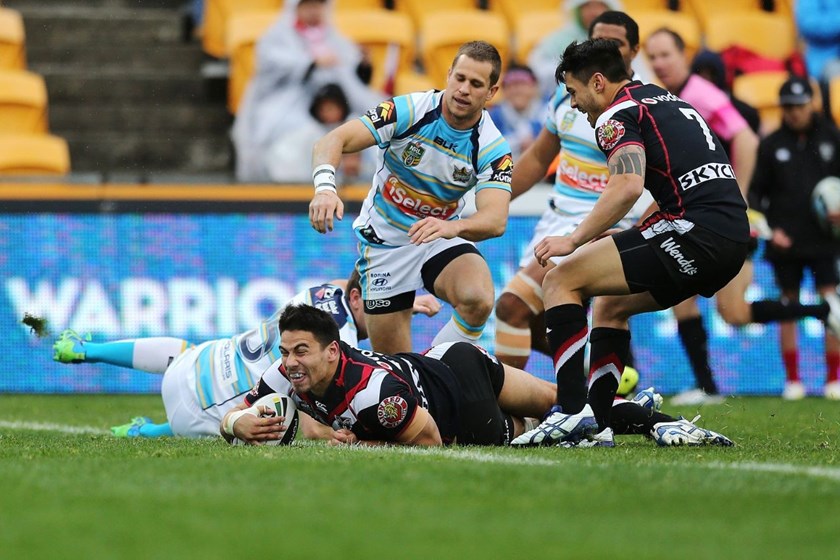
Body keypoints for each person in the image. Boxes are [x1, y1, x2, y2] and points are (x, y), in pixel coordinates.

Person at [511, 38, 750, 447]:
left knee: (560, 279)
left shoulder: (616, 114)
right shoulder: (665, 99)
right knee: (610, 305)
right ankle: (599, 423)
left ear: (598, 82)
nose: (574, 105)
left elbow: (626, 186)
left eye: (573, 92)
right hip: (729, 236)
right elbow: (679, 180)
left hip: (692, 232)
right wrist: (634, 232)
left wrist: (573, 239)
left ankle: (569, 413)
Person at [225, 305, 734, 447]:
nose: (290, 362)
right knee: (565, 406)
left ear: (333, 353)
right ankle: (646, 415)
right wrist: (236, 426)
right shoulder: (283, 374)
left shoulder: (371, 395)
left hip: (461, 406)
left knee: (546, 428)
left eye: (302, 352)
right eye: (286, 351)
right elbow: (238, 411)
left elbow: (429, 441)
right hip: (447, 358)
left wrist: (350, 442)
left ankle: (647, 419)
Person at [51, 271, 442, 437]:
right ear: (358, 299)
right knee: (274, 419)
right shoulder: (335, 349)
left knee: (184, 350)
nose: (395, 318)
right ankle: (147, 432)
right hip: (208, 413)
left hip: (198, 365)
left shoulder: (325, 293)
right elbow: (313, 427)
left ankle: (86, 349)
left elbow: (351, 283)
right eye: (392, 308)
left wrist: (403, 300)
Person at [309, 41, 513, 355]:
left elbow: (495, 219)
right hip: (384, 246)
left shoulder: (492, 148)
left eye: (476, 84)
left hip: (437, 236)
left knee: (479, 298)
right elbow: (334, 139)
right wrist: (325, 188)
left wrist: (452, 229)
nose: (463, 90)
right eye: (459, 78)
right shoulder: (407, 110)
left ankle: (438, 366)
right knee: (399, 370)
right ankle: (421, 374)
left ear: (491, 92)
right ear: (448, 75)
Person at [495, 11, 655, 371]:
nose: (603, 48)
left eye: (614, 43)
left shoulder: (641, 104)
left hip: (601, 226)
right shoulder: (567, 93)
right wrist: (492, 203)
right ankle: (606, 382)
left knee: (512, 307)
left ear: (634, 50)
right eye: (596, 40)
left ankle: (512, 415)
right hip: (554, 220)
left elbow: (646, 180)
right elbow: (538, 158)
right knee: (542, 324)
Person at [750, 76, 840, 401]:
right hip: (785, 240)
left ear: (810, 105)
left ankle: (833, 378)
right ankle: (793, 380)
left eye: (799, 106)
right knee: (787, 305)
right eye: (788, 107)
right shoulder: (772, 143)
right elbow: (756, 194)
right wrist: (773, 232)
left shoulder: (832, 138)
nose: (794, 113)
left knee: (831, 303)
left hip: (825, 239)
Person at [231, 0, 380, 182]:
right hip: (288, 104)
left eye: (318, 5)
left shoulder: (333, 37)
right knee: (296, 138)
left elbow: (353, 76)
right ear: (295, 8)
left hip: (335, 103)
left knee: (368, 127)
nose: (314, 11)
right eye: (308, 5)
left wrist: (363, 64)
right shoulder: (277, 36)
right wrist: (310, 63)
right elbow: (270, 69)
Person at [264, 83, 364, 183]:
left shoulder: (355, 126)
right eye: (323, 109)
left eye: (331, 108)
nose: (327, 113)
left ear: (341, 107)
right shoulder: (311, 133)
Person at [529, 0, 622, 99]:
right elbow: (538, 71)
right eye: (587, 6)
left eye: (600, 6)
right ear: (577, 10)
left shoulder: (620, 39)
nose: (594, 12)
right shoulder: (557, 39)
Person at [487, 64, 546, 161]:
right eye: (511, 85)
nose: (517, 90)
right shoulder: (493, 116)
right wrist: (519, 142)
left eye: (522, 84)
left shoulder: (548, 111)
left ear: (535, 87)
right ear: (503, 91)